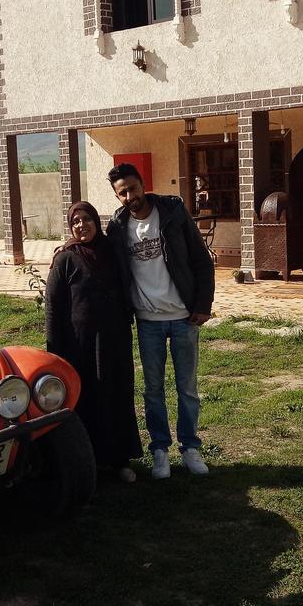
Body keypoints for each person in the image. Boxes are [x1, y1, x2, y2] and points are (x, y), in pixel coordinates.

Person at [106, 163, 215, 479]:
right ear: (118, 196)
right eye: (122, 192)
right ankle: (160, 451)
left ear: (143, 184)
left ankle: (191, 447)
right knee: (153, 389)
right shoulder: (118, 226)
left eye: (132, 188)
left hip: (183, 316)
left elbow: (201, 261)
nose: (129, 196)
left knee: (187, 388)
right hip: (148, 320)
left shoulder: (173, 213)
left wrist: (203, 304)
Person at [46, 201, 142, 482]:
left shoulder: (112, 251)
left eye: (86, 219)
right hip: (79, 345)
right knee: (86, 398)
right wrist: (54, 350)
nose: (81, 225)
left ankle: (120, 460)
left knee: (117, 395)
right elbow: (52, 307)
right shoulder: (66, 259)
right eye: (75, 221)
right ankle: (90, 461)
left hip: (114, 341)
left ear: (95, 222)